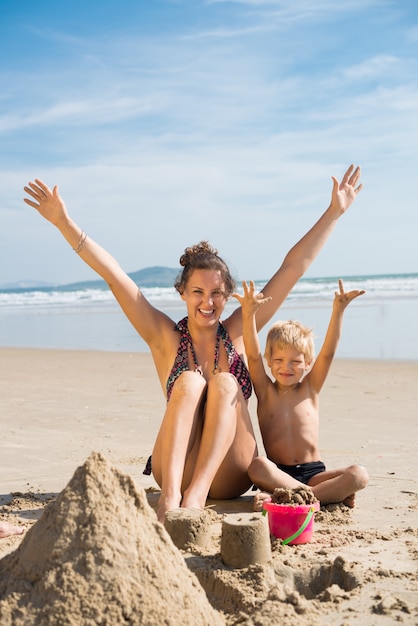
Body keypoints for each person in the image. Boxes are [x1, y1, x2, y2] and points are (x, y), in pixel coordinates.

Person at [23, 165, 363, 523]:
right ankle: (170, 498)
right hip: (176, 467)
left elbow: (292, 268)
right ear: (182, 292)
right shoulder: (164, 338)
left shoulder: (238, 330)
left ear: (228, 296)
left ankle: (196, 496)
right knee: (189, 380)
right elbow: (114, 276)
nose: (208, 302)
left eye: (217, 293)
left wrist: (334, 213)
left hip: (231, 472)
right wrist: (63, 222)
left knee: (225, 381)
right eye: (198, 292)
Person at [233, 278, 369, 510]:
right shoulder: (266, 391)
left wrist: (338, 310)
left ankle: (294, 497)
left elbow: (328, 352)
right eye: (279, 360)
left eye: (295, 361)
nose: (286, 367)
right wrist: (248, 314)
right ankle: (319, 497)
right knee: (257, 466)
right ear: (269, 361)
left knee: (359, 475)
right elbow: (252, 355)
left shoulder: (310, 388)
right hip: (279, 474)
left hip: (314, 473)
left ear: (307, 363)